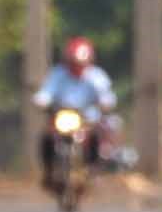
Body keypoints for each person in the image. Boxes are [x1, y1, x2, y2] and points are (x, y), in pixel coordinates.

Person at [35, 36, 121, 165]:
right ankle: (49, 168)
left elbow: (106, 95)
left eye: (79, 63)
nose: (76, 66)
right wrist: (41, 101)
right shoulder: (58, 74)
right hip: (62, 116)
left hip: (88, 119)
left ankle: (93, 166)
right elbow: (46, 92)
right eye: (73, 62)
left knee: (97, 136)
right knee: (47, 137)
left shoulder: (96, 76)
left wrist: (105, 103)